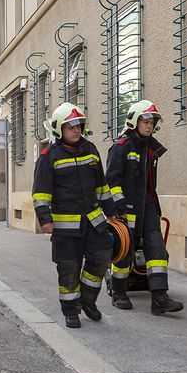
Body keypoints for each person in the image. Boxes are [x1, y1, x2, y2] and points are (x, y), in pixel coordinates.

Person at [32, 102, 116, 329]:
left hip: (94, 220)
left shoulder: (91, 150)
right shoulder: (49, 156)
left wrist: (112, 211)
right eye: (71, 126)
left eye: (79, 125)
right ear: (59, 129)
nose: (76, 130)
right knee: (69, 268)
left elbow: (102, 185)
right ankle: (70, 310)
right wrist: (45, 219)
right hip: (65, 225)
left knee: (102, 257)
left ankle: (87, 300)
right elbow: (40, 192)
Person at [105, 100, 184, 315]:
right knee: (125, 249)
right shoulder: (121, 147)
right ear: (134, 122)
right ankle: (119, 292)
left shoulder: (151, 147)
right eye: (146, 121)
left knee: (157, 249)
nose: (150, 126)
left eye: (152, 122)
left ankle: (159, 297)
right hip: (126, 208)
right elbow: (111, 180)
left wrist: (154, 208)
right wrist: (119, 206)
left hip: (148, 207)